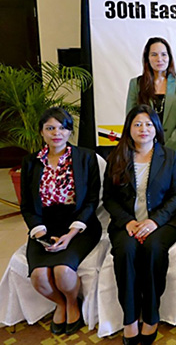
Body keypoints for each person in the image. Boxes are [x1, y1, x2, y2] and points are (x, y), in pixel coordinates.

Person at [104, 105, 176, 344]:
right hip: (126, 223)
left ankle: (150, 315)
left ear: (156, 128)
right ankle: (129, 318)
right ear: (128, 128)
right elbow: (109, 198)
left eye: (149, 124)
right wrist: (128, 221)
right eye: (137, 124)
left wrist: (154, 221)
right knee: (126, 251)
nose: (143, 129)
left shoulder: (170, 157)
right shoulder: (117, 156)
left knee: (152, 249)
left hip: (163, 223)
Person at [20, 107, 101, 336]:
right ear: (42, 132)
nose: (57, 133)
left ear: (70, 132)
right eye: (50, 128)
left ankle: (72, 302)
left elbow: (91, 200)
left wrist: (71, 233)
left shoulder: (86, 157)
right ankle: (61, 303)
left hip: (79, 225)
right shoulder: (30, 162)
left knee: (63, 271)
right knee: (39, 277)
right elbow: (27, 205)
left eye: (62, 128)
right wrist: (40, 235)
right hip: (43, 226)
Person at [126, 37, 176, 165]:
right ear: (147, 58)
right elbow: (131, 118)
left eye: (163, 54)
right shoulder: (136, 84)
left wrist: (167, 150)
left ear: (169, 57)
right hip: (144, 153)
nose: (159, 59)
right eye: (154, 55)